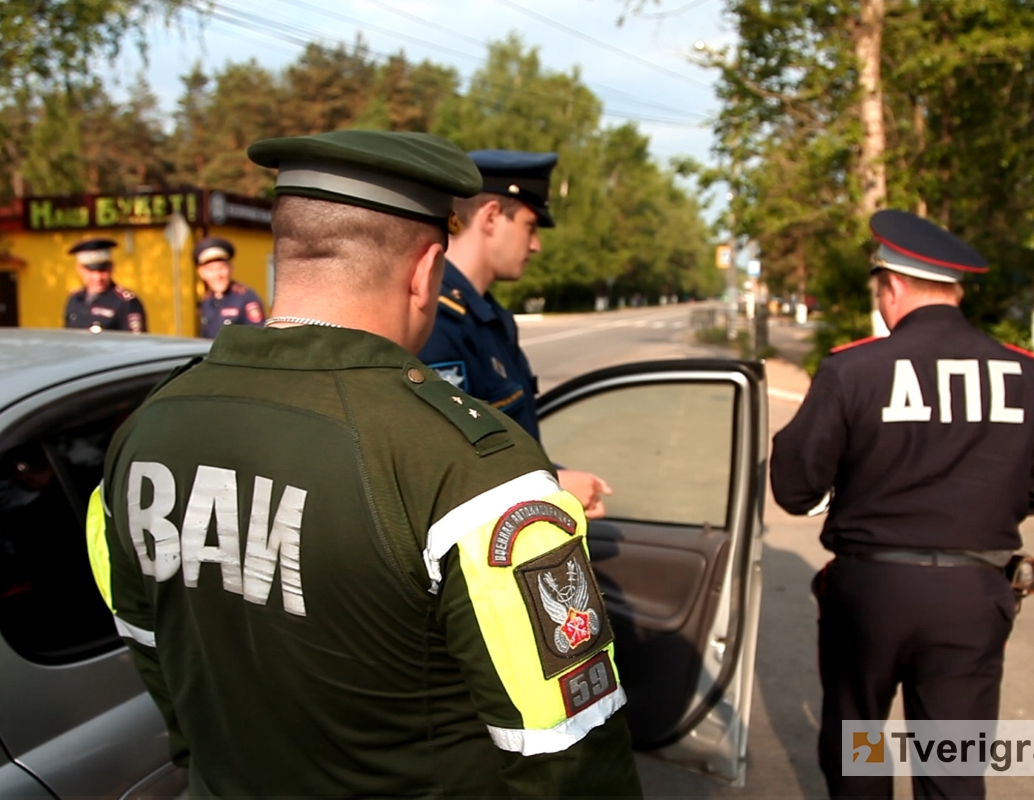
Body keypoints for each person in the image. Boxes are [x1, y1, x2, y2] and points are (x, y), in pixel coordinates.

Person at [84, 129, 641, 798]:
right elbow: (567, 752)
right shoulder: (472, 469)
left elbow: (156, 655)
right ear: (424, 269)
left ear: (285, 258)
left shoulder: (142, 431)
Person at [769, 209, 1034, 799]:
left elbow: (794, 488)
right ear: (954, 291)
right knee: (951, 765)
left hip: (872, 595)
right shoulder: (1027, 375)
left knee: (861, 750)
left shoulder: (853, 369)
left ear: (894, 284)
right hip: (972, 597)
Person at [419, 149, 612, 518]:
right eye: (530, 226)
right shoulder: (437, 321)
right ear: (492, 216)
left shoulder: (491, 318)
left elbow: (504, 445)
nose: (536, 245)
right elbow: (441, 468)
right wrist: (553, 485)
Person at [63, 238, 146, 333]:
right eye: (91, 271)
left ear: (111, 267)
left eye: (103, 270)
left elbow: (137, 344)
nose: (97, 277)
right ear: (80, 269)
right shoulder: (75, 299)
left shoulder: (126, 303)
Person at [194, 236, 266, 338]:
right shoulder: (206, 301)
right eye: (211, 270)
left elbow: (260, 338)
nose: (218, 275)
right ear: (202, 273)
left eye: (221, 268)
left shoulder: (245, 298)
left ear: (231, 268)